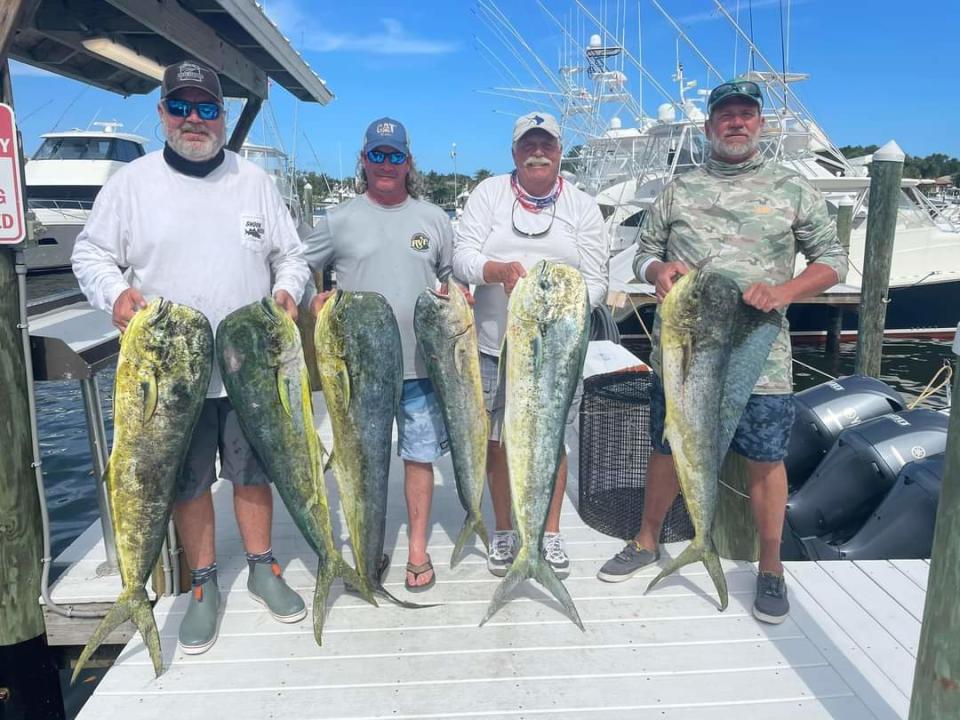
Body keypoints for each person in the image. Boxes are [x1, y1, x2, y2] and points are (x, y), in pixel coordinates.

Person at [72, 59, 310, 654]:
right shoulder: (133, 183)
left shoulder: (253, 180)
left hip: (249, 362)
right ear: (162, 115)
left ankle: (262, 563)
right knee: (187, 478)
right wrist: (115, 293)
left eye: (207, 108)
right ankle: (203, 582)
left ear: (223, 117)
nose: (194, 119)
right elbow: (91, 254)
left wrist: (287, 292)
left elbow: (293, 256)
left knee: (255, 469)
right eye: (181, 107)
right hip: (168, 372)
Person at [595, 80, 848, 624]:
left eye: (746, 115)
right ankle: (646, 539)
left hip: (762, 353)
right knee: (669, 446)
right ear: (710, 127)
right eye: (726, 115)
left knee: (765, 459)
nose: (736, 123)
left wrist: (783, 292)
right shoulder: (677, 190)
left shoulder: (792, 189)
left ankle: (771, 566)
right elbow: (644, 253)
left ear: (760, 125)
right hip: (685, 353)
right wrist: (657, 271)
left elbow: (833, 261)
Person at [452, 111, 609, 579]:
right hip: (494, 347)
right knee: (499, 441)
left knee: (552, 439)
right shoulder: (489, 194)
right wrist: (494, 271)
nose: (537, 152)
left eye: (547, 145)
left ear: (560, 151)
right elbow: (463, 257)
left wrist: (561, 307)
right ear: (514, 152)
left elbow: (597, 279)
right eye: (528, 145)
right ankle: (504, 529)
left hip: (559, 351)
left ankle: (549, 532)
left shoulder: (582, 205)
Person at [304, 117, 453, 592]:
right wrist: (314, 298)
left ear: (409, 163)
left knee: (419, 456)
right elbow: (294, 263)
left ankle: (416, 551)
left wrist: (458, 292)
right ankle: (367, 549)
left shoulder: (435, 218)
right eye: (377, 156)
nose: (386, 165)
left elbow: (451, 276)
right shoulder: (337, 219)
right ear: (363, 161)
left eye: (395, 156)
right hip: (357, 372)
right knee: (361, 461)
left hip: (420, 364)